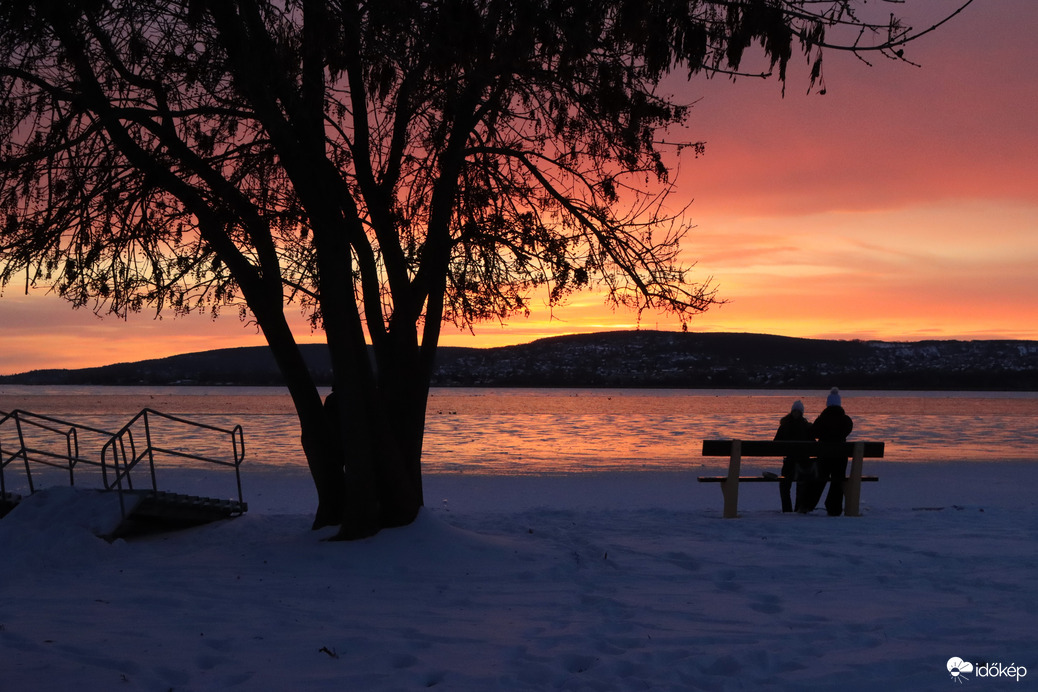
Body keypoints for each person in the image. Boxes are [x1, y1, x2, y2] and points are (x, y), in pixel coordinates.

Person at [802, 387, 854, 516]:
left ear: (828, 404)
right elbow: (846, 432)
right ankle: (834, 507)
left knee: (819, 479)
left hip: (824, 457)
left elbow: (813, 432)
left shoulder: (822, 419)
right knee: (838, 480)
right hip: (841, 457)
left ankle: (808, 504)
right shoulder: (846, 420)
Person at [772, 400, 813, 512]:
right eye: (794, 411)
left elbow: (775, 444)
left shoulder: (787, 426)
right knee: (789, 485)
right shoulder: (805, 427)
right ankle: (789, 509)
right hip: (797, 461)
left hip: (795, 461)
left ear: (801, 413)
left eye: (797, 411)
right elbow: (813, 445)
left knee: (792, 485)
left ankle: (794, 509)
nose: (796, 413)